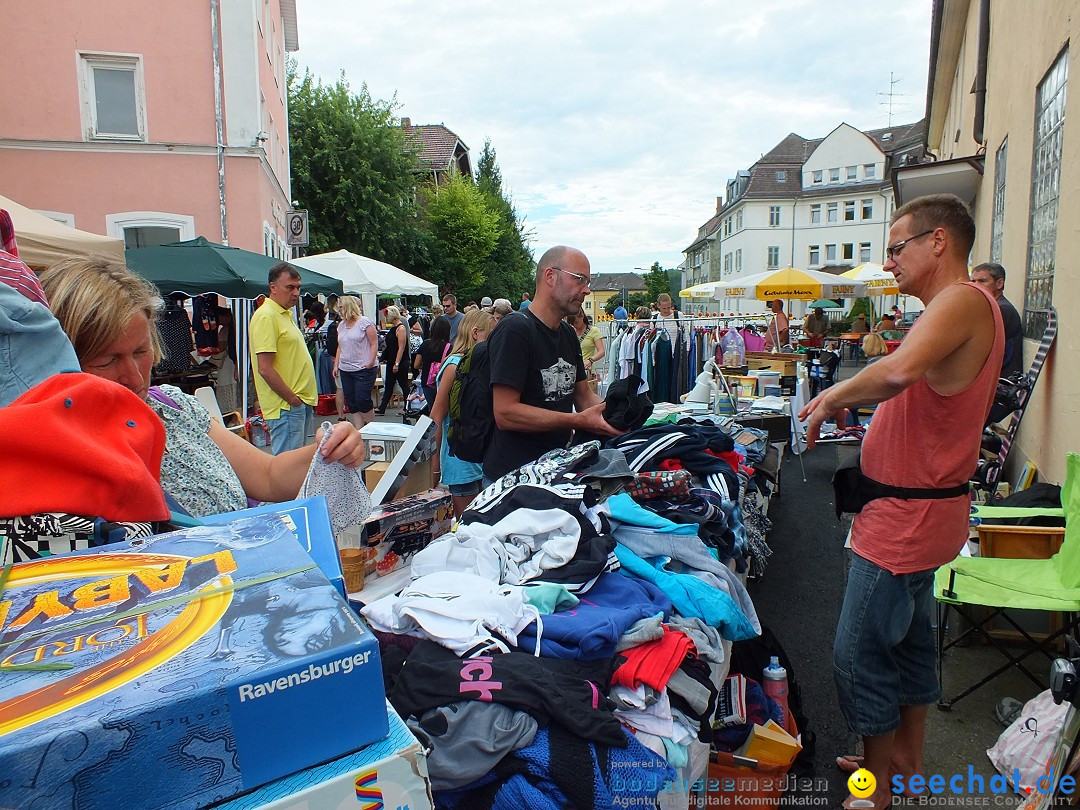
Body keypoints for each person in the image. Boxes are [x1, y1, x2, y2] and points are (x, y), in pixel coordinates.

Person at [799, 194, 1003, 810]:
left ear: (937, 242)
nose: (888, 262)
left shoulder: (964, 300)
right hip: (923, 515)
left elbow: (896, 374)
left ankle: (878, 788)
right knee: (910, 644)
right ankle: (903, 761)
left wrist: (832, 398)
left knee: (858, 655)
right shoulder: (962, 307)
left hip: (904, 521)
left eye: (895, 247)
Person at [40, 257, 365, 519]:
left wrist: (330, 450)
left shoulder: (172, 406)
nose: (135, 377)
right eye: (107, 360)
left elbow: (267, 474)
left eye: (141, 351)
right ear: (64, 358)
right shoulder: (57, 452)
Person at [483, 246, 623, 482]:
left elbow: (583, 397)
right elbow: (505, 413)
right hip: (512, 480)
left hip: (554, 472)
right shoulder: (515, 329)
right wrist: (575, 421)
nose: (587, 290)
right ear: (550, 276)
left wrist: (620, 415)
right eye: (580, 280)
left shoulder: (567, 333)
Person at [428, 309, 496, 516]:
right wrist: (434, 467)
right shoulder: (454, 365)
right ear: (476, 332)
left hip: (481, 459)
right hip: (460, 463)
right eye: (491, 335)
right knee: (467, 527)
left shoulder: (479, 363)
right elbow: (436, 418)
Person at [250, 263, 318, 454]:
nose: (296, 293)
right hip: (286, 406)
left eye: (298, 287)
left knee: (294, 468)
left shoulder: (283, 314)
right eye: (290, 287)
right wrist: (292, 399)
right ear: (273, 287)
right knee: (288, 471)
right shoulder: (267, 316)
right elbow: (265, 368)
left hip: (295, 404)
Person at [971, 262, 1023, 378]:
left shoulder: (1002, 309)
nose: (976, 285)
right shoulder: (993, 307)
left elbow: (980, 349)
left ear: (999, 283)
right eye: (973, 281)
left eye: (982, 281)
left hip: (1002, 383)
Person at [333, 295, 379, 428]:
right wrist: (336, 365)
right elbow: (340, 345)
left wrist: (370, 361)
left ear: (348, 307)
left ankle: (372, 427)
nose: (339, 310)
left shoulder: (364, 322)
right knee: (352, 402)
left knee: (362, 399)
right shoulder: (341, 325)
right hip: (346, 368)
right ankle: (359, 430)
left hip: (363, 368)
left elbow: (374, 343)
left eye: (341, 307)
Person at [375, 306, 410, 415]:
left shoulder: (401, 328)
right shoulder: (394, 329)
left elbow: (401, 348)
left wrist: (397, 363)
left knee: (403, 384)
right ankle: (382, 407)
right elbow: (390, 347)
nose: (386, 318)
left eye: (387, 316)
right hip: (392, 361)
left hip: (400, 361)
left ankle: (408, 407)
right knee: (389, 384)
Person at [413, 315, 451, 409]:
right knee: (442, 410)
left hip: (426, 381)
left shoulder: (425, 344)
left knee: (432, 408)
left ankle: (432, 423)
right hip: (442, 383)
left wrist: (427, 365)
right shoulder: (449, 347)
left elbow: (416, 365)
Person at [566, 307, 605, 378]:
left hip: (587, 371)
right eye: (572, 323)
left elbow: (601, 352)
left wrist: (590, 360)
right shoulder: (570, 332)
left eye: (576, 322)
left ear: (582, 316)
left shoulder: (594, 331)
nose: (575, 325)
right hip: (573, 372)